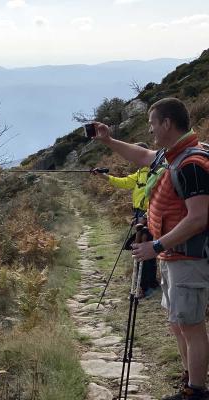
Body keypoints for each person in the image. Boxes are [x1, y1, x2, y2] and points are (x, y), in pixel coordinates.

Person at [94, 97, 209, 400]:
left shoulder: (191, 163)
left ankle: (196, 391)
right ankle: (188, 381)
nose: (151, 129)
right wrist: (108, 140)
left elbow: (198, 218)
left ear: (167, 123)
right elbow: (142, 155)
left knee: (192, 325)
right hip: (173, 256)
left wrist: (156, 245)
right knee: (177, 323)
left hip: (188, 257)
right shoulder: (170, 155)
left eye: (152, 123)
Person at [93, 142, 160, 298]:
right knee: (142, 249)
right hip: (139, 215)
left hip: (148, 216)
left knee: (146, 250)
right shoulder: (139, 173)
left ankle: (146, 286)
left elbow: (157, 196)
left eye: (135, 154)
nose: (133, 158)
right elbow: (122, 182)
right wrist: (103, 176)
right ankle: (147, 285)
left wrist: (146, 215)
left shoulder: (155, 171)